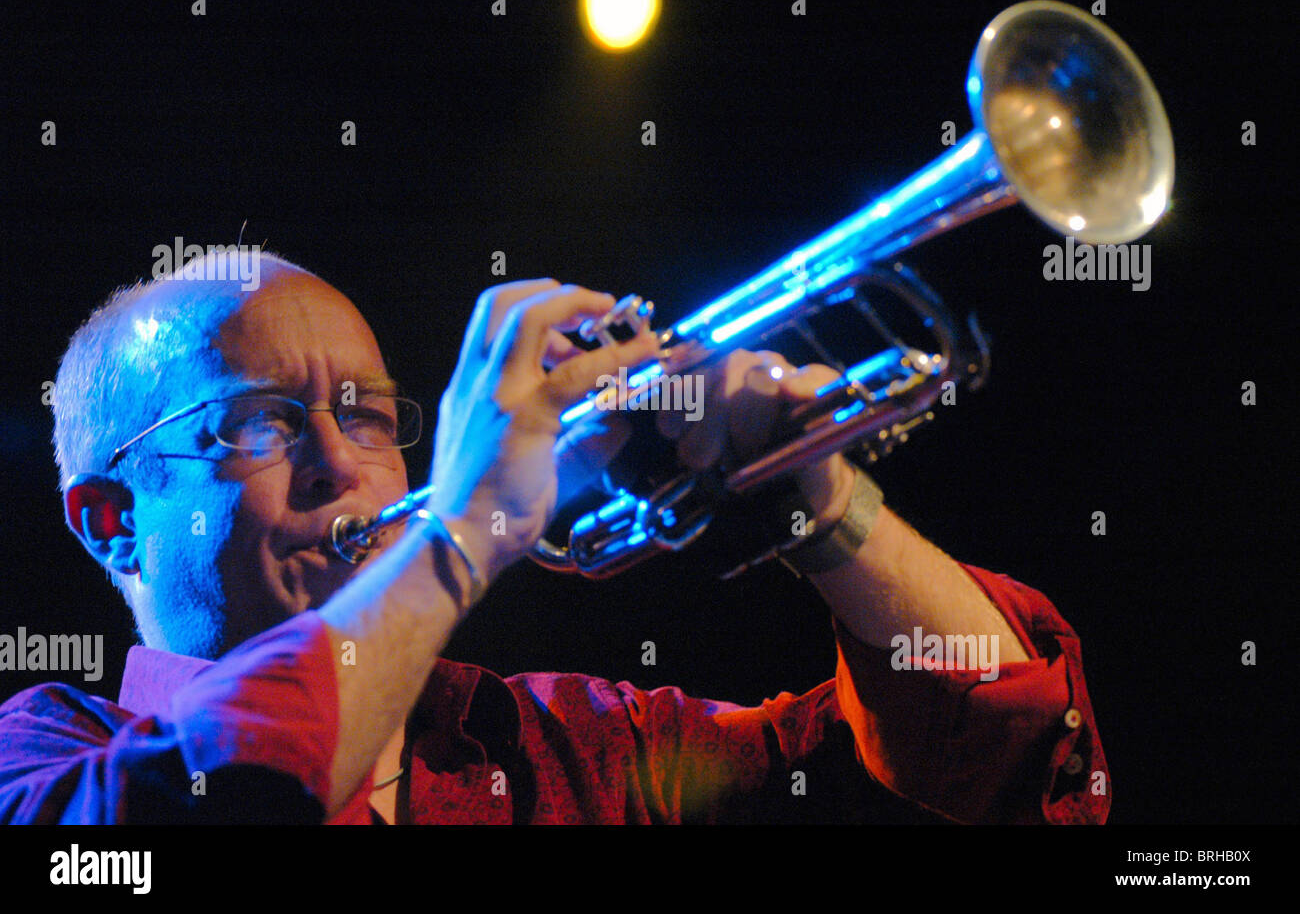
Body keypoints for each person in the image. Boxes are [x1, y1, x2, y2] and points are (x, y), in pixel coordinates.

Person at [0, 250, 1108, 824]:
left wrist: (819, 502)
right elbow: (221, 801)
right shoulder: (39, 763)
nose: (342, 463)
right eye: (259, 422)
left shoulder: (577, 748)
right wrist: (467, 523)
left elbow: (1006, 768)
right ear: (114, 524)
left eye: (370, 414)